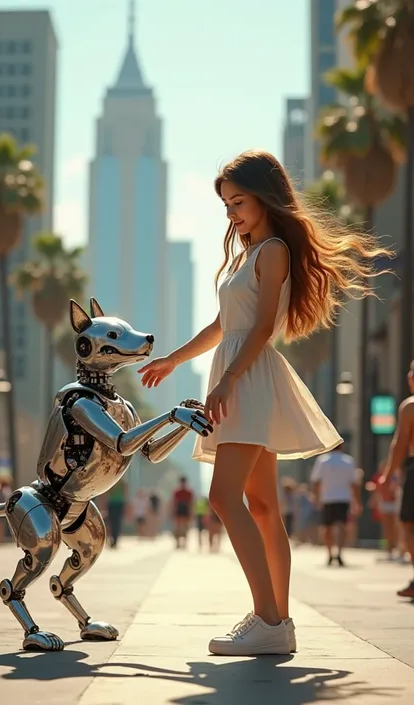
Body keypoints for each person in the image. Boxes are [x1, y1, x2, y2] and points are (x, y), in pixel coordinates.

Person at [138, 150, 391, 656]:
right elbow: (223, 327)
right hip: (245, 374)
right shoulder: (248, 254)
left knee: (226, 498)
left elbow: (258, 329)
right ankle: (280, 623)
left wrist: (228, 380)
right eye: (226, 204)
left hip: (250, 377)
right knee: (262, 505)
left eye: (238, 201)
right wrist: (172, 358)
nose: (230, 212)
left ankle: (267, 618)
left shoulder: (272, 249)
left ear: (264, 196)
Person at [379, 360, 414, 598]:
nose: (409, 376)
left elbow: (400, 444)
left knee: (408, 524)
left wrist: (387, 476)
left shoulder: (410, 407)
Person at [311, 441, 362, 566]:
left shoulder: (322, 461)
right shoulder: (348, 461)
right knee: (341, 526)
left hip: (327, 498)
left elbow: (316, 481)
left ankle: (329, 553)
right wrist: (357, 501)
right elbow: (354, 483)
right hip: (343, 498)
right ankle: (339, 551)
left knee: (327, 527)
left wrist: (316, 497)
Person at [172, 476, 194, 549]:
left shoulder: (188, 492)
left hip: (184, 511)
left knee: (184, 528)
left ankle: (183, 543)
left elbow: (191, 503)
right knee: (179, 528)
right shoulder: (178, 492)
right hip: (180, 511)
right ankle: (178, 543)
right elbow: (174, 503)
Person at [106, 478, 128, 548]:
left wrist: (125, 505)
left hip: (119, 504)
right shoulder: (112, 482)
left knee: (117, 523)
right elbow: (108, 493)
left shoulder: (123, 484)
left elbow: (125, 494)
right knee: (111, 522)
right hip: (111, 503)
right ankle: (112, 540)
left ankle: (115, 540)